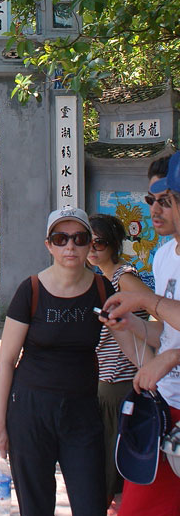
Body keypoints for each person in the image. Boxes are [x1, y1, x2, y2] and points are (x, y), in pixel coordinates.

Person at [0, 206, 136, 516]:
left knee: (91, 503)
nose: (71, 246)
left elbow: (128, 342)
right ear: (49, 244)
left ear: (90, 245)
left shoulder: (100, 289)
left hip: (81, 412)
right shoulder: (32, 290)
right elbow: (7, 361)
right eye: (61, 238)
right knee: (36, 507)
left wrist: (161, 371)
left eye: (80, 239)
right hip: (30, 412)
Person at [101, 152, 180, 516]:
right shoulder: (164, 256)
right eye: (151, 200)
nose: (155, 210)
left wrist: (146, 299)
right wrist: (128, 324)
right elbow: (163, 333)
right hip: (163, 409)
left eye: (165, 201)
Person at [88, 214, 151, 510]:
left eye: (98, 242)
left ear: (113, 245)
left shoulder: (122, 276)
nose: (91, 248)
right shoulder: (102, 278)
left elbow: (154, 307)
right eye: (86, 240)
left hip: (121, 387)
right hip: (105, 386)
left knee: (110, 481)